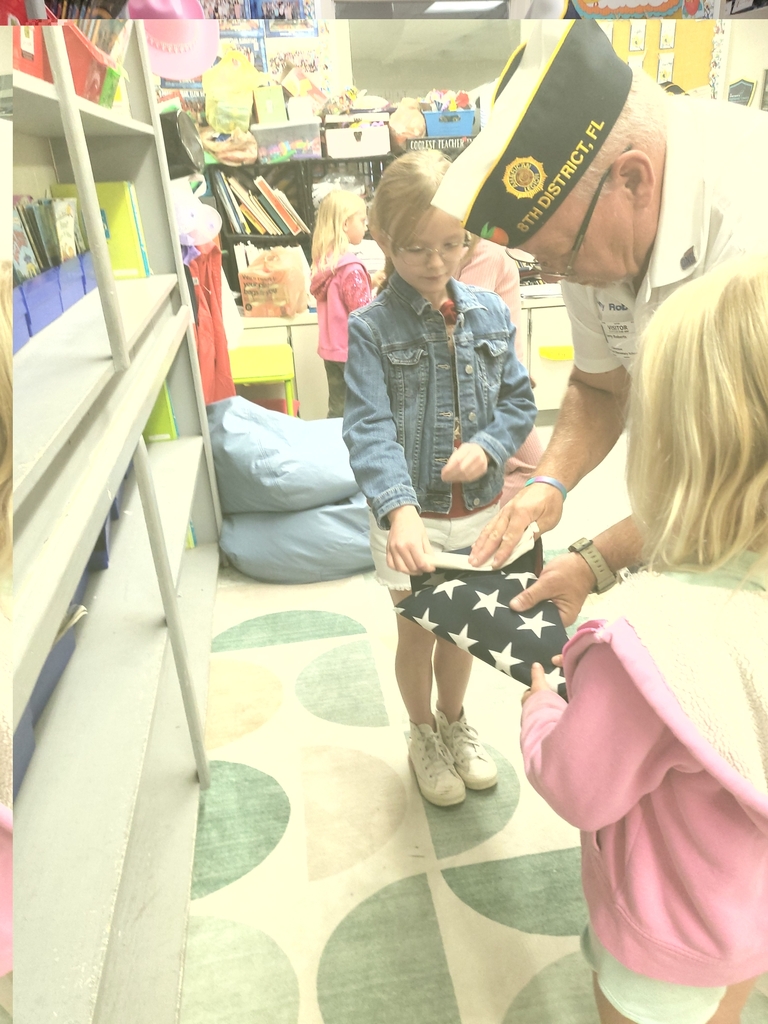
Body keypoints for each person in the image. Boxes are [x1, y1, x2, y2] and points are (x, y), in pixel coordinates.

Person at [432, 18, 768, 626]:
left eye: (564, 254)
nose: (560, 274)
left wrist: (594, 561)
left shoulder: (752, 229)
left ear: (632, 179)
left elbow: (740, 487)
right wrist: (550, 483)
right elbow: (601, 383)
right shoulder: (592, 232)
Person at [521, 255, 768, 1024]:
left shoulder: (641, 642)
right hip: (746, 910)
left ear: (670, 452)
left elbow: (577, 785)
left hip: (664, 939)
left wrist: (539, 707)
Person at [342, 151, 536, 807]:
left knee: (462, 628)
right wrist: (399, 512)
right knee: (416, 631)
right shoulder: (371, 328)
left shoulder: (488, 310)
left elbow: (518, 403)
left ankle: (455, 724)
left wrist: (488, 446)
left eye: (452, 244)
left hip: (476, 510)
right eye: (416, 247)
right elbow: (368, 426)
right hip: (410, 517)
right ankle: (422, 732)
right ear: (385, 239)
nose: (435, 262)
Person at [456, 234, 544, 503]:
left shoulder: (483, 252)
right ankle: (484, 527)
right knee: (533, 468)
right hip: (489, 381)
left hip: (495, 376)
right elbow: (467, 323)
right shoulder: (486, 252)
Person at [310, 190, 372, 418]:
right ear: (346, 223)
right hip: (353, 352)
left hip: (331, 351)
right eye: (362, 220)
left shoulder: (324, 264)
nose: (366, 226)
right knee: (363, 410)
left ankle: (334, 449)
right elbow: (364, 313)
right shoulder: (351, 269)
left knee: (337, 408)